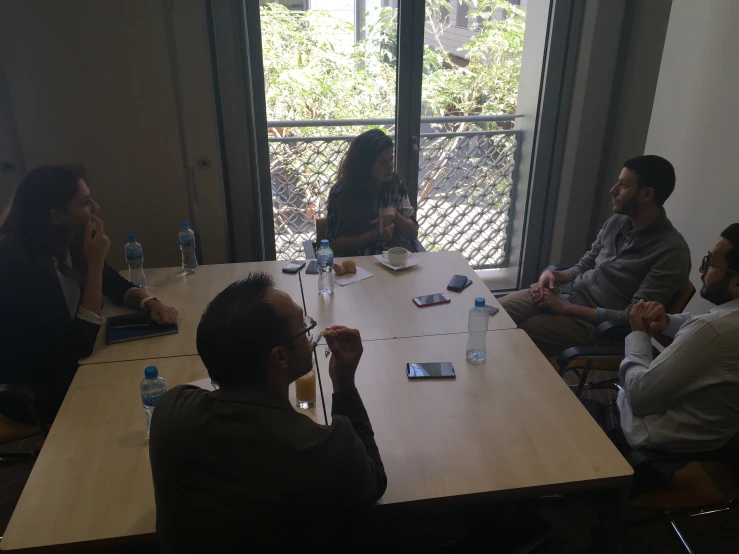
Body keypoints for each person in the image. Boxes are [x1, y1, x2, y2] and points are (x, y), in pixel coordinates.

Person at [149, 273, 386, 552]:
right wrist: (344, 384)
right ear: (280, 357)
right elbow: (374, 480)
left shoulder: (170, 412)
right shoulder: (324, 448)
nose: (310, 331)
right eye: (303, 327)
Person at [0, 166, 178, 423]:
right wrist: (95, 263)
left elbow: (113, 284)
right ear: (56, 215)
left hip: (72, 361)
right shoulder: (16, 266)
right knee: (132, 405)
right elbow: (77, 346)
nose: (96, 208)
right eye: (85, 202)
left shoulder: (65, 238)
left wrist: (149, 302)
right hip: (36, 387)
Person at [500, 155, 690, 356]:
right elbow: (585, 265)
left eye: (623, 185)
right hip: (563, 293)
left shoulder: (670, 252)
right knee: (493, 314)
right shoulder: (617, 221)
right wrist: (553, 275)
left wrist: (564, 308)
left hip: (593, 325)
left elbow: (633, 318)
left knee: (521, 334)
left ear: (646, 195)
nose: (613, 190)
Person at [612, 224, 739, 453]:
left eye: (710, 262)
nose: (702, 269)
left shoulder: (714, 332)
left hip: (633, 446)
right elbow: (705, 329)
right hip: (672, 444)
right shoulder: (724, 325)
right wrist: (668, 322)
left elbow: (640, 396)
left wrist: (638, 334)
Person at [325, 129, 419, 256]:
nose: (390, 166)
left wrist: (395, 215)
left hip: (390, 265)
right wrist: (372, 236)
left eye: (391, 159)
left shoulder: (395, 185)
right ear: (365, 165)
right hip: (353, 266)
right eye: (382, 162)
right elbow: (333, 245)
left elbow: (413, 233)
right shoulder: (342, 192)